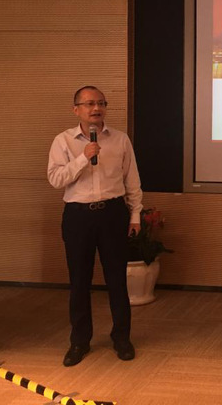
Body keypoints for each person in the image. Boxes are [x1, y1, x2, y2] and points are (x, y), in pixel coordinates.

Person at [47, 86, 142, 367]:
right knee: (79, 281)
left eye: (101, 103)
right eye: (89, 104)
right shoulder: (63, 141)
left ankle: (121, 338)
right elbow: (55, 179)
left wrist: (135, 215)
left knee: (117, 280)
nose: (96, 108)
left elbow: (132, 180)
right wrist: (83, 158)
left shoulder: (120, 139)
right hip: (78, 216)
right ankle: (79, 341)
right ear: (76, 109)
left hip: (113, 213)